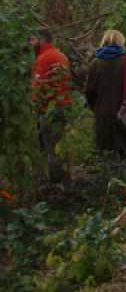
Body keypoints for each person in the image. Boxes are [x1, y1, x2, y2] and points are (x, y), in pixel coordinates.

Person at [85, 30, 126, 160]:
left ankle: (107, 179)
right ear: (121, 42)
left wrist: (96, 108)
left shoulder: (95, 63)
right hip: (125, 115)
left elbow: (89, 92)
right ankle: (124, 178)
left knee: (105, 155)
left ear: (104, 42)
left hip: (103, 116)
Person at [30, 28, 72, 182]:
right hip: (63, 104)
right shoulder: (61, 56)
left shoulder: (43, 58)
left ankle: (52, 184)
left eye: (32, 39)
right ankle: (61, 180)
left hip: (49, 108)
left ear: (41, 40)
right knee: (58, 145)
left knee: (48, 147)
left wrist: (35, 105)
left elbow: (38, 85)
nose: (30, 43)